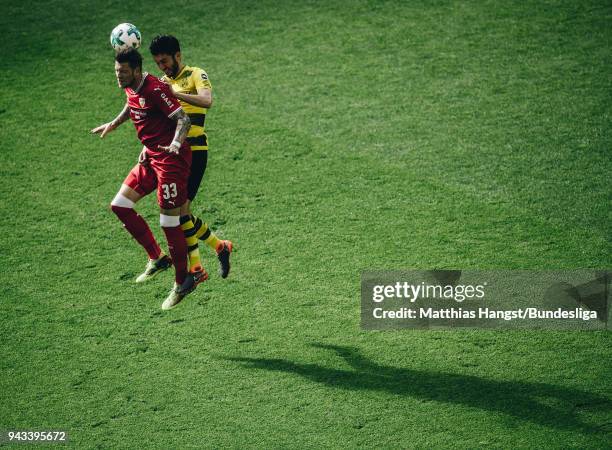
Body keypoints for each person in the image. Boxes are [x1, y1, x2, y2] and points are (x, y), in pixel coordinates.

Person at [91, 48, 204, 310]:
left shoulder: (155, 89)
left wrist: (176, 144)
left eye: (124, 72)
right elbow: (132, 104)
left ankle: (184, 280)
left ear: (137, 70)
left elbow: (183, 119)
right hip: (151, 157)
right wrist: (114, 123)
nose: (119, 77)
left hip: (171, 160)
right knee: (119, 205)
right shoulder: (131, 86)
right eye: (117, 71)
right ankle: (157, 258)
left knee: (168, 221)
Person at [149, 35, 233, 280]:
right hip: (175, 153)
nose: (162, 67)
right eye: (158, 64)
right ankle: (218, 248)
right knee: (180, 212)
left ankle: (200, 264)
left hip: (196, 151)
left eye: (165, 61)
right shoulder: (162, 83)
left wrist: (175, 94)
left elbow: (207, 101)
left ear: (178, 55)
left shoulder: (196, 73)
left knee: (181, 211)